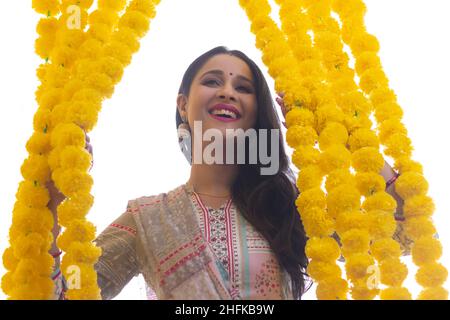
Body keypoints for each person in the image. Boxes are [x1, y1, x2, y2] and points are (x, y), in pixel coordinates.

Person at [46, 46, 406, 300]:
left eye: (243, 88)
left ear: (257, 112)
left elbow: (401, 230)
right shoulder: (147, 219)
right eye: (213, 81)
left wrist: (346, 137)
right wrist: (50, 204)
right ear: (183, 105)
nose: (228, 92)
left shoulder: (290, 211)